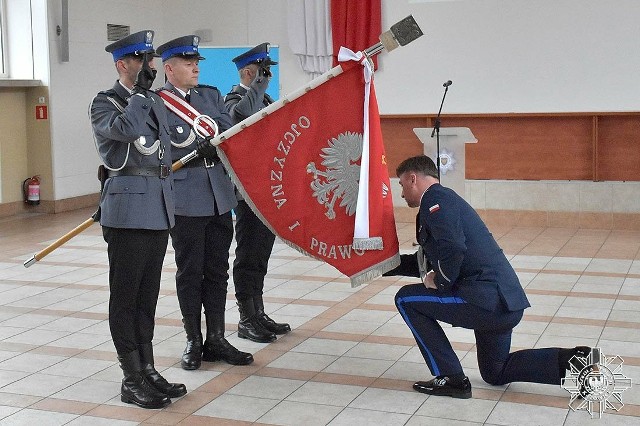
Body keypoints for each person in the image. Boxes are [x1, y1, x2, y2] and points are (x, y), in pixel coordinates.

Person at [386, 155, 589, 399]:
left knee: (406, 299)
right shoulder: (446, 200)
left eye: (400, 185)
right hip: (505, 304)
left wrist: (439, 281)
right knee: (496, 371)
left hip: (486, 301)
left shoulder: (435, 200)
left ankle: (450, 378)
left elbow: (454, 248)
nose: (401, 193)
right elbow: (428, 260)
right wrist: (378, 266)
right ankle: (577, 364)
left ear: (412, 178)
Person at [90, 30, 186, 409]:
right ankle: (130, 377)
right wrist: (140, 95)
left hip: (157, 207)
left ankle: (147, 368)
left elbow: (165, 147)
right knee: (126, 296)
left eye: (151, 60)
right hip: (127, 211)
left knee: (147, 295)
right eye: (142, 60)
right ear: (122, 65)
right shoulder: (105, 103)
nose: (150, 66)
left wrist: (147, 97)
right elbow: (127, 132)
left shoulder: (153, 101)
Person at [155, 35, 253, 371]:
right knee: (190, 271)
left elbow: (229, 133)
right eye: (187, 62)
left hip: (218, 196)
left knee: (216, 270)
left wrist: (220, 144)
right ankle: (193, 339)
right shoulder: (157, 102)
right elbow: (158, 150)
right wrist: (193, 152)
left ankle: (216, 337)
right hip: (184, 198)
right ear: (169, 69)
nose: (195, 66)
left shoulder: (209, 96)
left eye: (196, 61)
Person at [225, 43, 291, 343]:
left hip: (267, 190)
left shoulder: (263, 97)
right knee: (248, 253)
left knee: (261, 253)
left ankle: (258, 310)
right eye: (262, 73)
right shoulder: (235, 97)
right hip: (247, 192)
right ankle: (246, 317)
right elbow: (241, 117)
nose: (267, 78)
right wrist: (259, 86)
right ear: (249, 73)